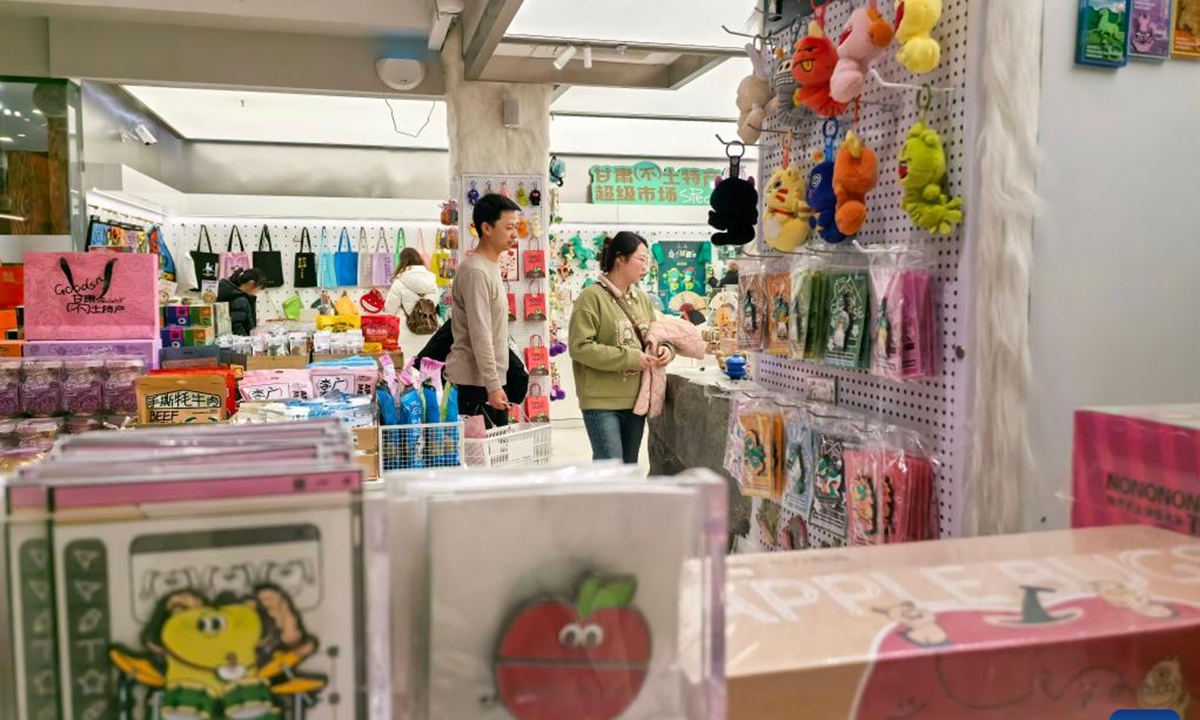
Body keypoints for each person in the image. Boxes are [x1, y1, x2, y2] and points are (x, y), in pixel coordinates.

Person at [569, 232, 671, 463]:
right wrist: (630, 358)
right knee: (610, 470)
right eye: (641, 259)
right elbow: (580, 348)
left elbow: (655, 336)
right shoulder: (591, 297)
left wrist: (665, 349)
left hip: (636, 400)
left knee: (629, 467)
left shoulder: (642, 300)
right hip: (601, 401)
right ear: (620, 259)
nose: (646, 265)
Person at [447, 193, 521, 427]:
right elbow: (481, 334)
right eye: (509, 227)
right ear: (486, 228)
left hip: (488, 383)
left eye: (516, 227)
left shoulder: (489, 267)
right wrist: (493, 385)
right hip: (475, 386)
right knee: (480, 460)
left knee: (495, 458)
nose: (515, 234)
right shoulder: (476, 272)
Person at [384, 247, 440, 357]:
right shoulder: (431, 280)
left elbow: (390, 309)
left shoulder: (399, 282)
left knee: (406, 367)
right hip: (429, 328)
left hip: (407, 330)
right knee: (424, 366)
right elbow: (435, 303)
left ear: (402, 261)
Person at [217, 267, 266, 336]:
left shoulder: (232, 294)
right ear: (251, 284)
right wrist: (248, 342)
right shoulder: (241, 301)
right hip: (240, 343)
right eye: (258, 290)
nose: (256, 293)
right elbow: (236, 327)